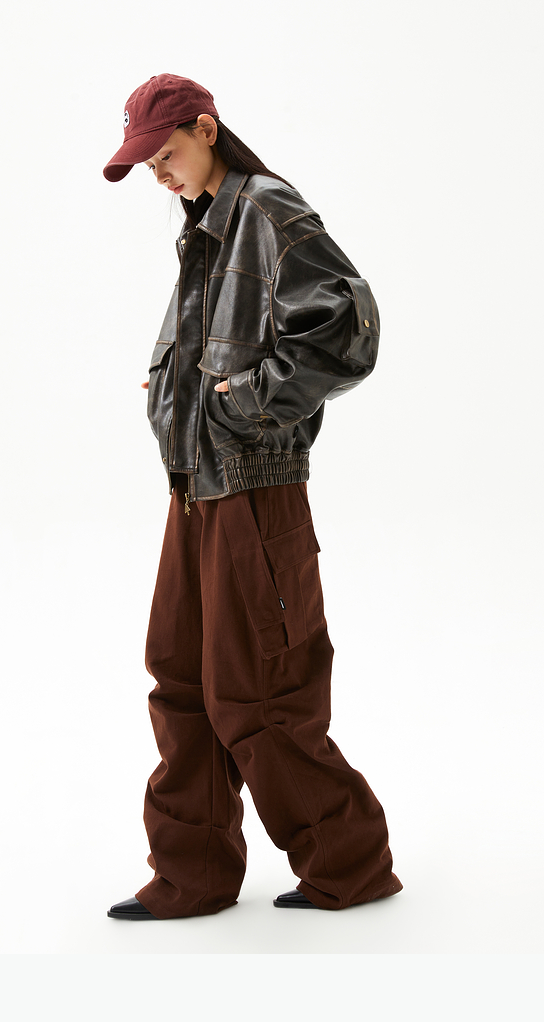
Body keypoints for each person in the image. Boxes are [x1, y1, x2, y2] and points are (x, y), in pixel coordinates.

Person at [102, 73, 402, 920]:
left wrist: (240, 403)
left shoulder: (266, 209)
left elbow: (345, 330)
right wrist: (183, 395)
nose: (160, 175)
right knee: (180, 681)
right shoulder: (207, 227)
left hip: (253, 492)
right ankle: (191, 876)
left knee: (260, 691)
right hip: (193, 490)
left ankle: (349, 863)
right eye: (148, 166)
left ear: (207, 130)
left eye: (166, 155)